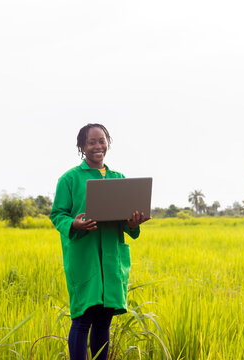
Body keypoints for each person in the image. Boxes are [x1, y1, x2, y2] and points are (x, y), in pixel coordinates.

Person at [50, 123, 149, 360]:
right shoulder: (70, 179)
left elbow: (125, 222)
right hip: (84, 257)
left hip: (111, 259)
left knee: (104, 321)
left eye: (102, 140)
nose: (98, 146)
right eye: (91, 142)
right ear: (82, 147)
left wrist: (133, 223)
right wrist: (75, 224)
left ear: (108, 143)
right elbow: (57, 214)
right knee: (82, 319)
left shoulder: (119, 179)